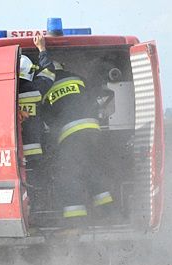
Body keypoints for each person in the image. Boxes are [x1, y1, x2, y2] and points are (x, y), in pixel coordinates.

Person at [33, 35, 115, 226]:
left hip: (71, 135)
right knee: (93, 170)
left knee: (68, 175)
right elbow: (91, 100)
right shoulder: (77, 78)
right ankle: (108, 213)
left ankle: (75, 222)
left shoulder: (45, 84)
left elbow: (44, 118)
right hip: (94, 131)